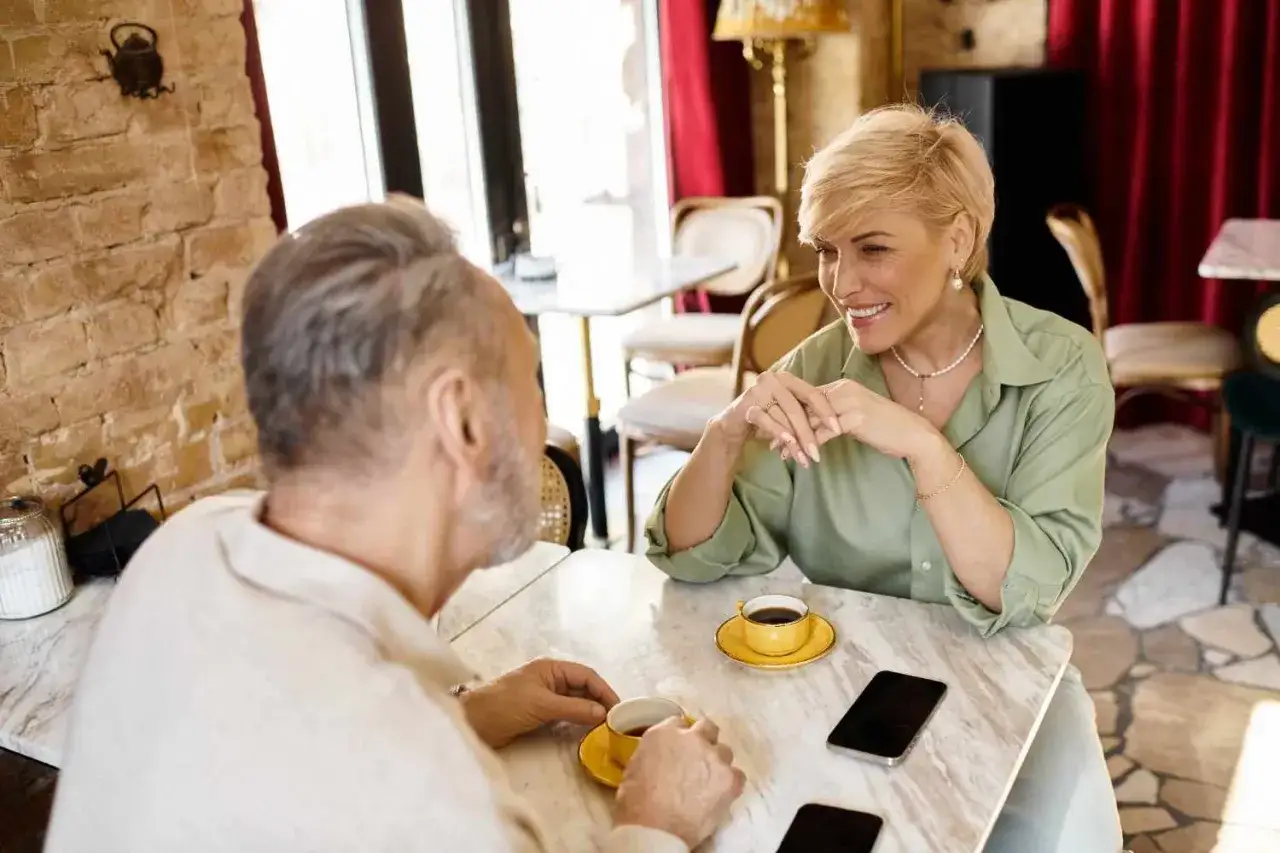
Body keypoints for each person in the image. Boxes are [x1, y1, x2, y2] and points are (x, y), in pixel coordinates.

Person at [45, 197, 743, 853]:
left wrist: (468, 712)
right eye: (531, 380)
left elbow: (288, 762)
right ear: (462, 420)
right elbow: (371, 783)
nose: (540, 418)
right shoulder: (435, 801)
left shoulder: (183, 544)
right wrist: (656, 821)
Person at [646, 105, 1123, 853]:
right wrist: (723, 430)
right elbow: (696, 555)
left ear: (958, 239)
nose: (841, 282)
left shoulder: (1062, 367)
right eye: (827, 250)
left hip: (1010, 683)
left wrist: (925, 449)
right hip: (837, 688)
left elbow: (1023, 587)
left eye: (872, 248)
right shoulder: (811, 367)